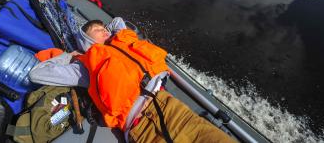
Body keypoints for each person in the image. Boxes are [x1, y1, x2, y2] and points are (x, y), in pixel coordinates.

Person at [29, 18, 235, 143]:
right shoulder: (85, 66)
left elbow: (118, 21)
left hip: (172, 106)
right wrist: (71, 56)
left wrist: (110, 32)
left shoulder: (123, 41)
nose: (106, 31)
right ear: (88, 41)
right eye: (98, 30)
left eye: (105, 28)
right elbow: (36, 73)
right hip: (144, 127)